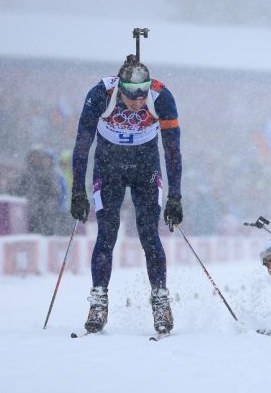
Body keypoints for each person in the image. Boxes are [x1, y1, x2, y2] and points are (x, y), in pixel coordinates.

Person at [70, 54, 184, 335]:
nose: (138, 101)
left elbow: (172, 150)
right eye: (131, 95)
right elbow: (82, 143)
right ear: (119, 88)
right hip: (109, 166)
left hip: (146, 167)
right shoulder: (100, 94)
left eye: (142, 93)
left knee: (148, 233)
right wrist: (77, 190)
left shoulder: (162, 97)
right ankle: (98, 301)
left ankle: (160, 301)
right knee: (107, 233)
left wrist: (175, 196)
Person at [13, 147, 72, 236]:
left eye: (37, 157)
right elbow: (20, 191)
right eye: (33, 157)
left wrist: (46, 204)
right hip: (30, 212)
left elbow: (57, 192)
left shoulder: (49, 173)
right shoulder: (26, 173)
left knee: (46, 235)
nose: (35, 160)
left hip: (46, 213)